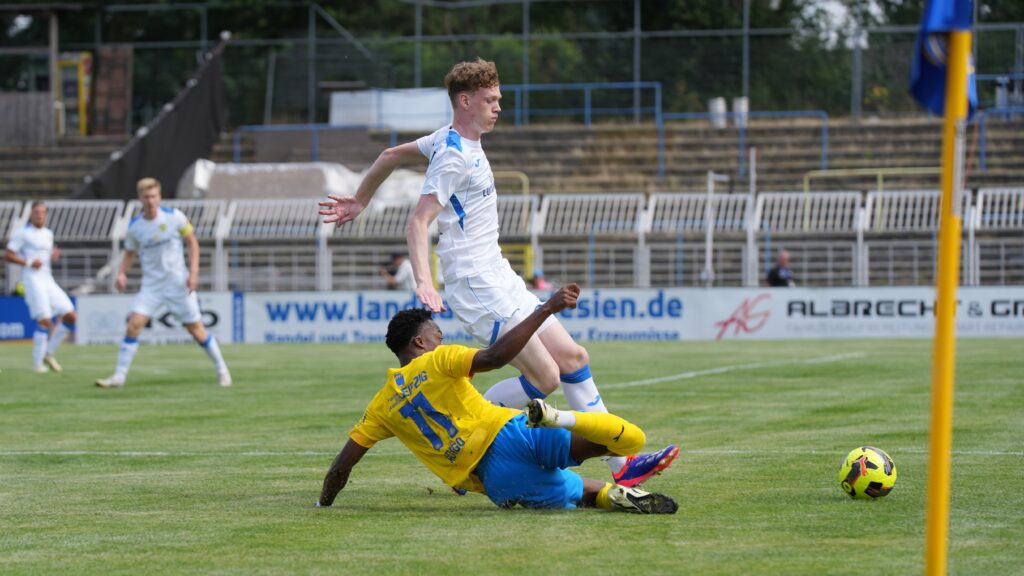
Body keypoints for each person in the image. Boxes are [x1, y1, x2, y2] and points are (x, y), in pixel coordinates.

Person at [319, 58, 677, 488]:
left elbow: (390, 154)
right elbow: (417, 221)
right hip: (476, 283)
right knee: (545, 378)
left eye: (499, 99)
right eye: (490, 100)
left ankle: (623, 465)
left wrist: (360, 199)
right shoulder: (451, 156)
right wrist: (423, 281)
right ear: (465, 101)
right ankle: (482, 424)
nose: (498, 107)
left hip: (499, 273)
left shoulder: (447, 140)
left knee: (573, 359)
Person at [317, 283, 678, 514]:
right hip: (514, 430)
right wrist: (544, 310)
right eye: (437, 336)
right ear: (420, 343)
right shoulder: (438, 360)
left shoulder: (380, 407)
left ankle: (609, 495)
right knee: (629, 440)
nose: (441, 342)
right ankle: (560, 418)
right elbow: (495, 357)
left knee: (584, 495)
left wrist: (324, 503)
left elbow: (342, 466)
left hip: (494, 476)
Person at [95, 178, 231, 388]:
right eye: (146, 197)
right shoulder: (135, 227)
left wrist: (193, 273)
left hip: (178, 284)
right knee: (134, 325)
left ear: (159, 196)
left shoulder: (174, 217)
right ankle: (119, 377)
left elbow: (192, 242)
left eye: (154, 196)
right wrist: (121, 273)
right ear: (140, 198)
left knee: (196, 330)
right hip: (151, 286)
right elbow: (129, 252)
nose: (150, 201)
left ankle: (222, 370)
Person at [4, 201, 76, 373]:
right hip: (32, 280)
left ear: (46, 214)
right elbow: (8, 254)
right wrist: (28, 262)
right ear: (31, 214)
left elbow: (44, 257)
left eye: (42, 212)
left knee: (71, 315)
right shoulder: (23, 233)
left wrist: (53, 256)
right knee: (44, 319)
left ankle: (49, 352)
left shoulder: (48, 234)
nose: (39, 215)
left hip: (47, 279)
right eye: (36, 212)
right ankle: (37, 364)